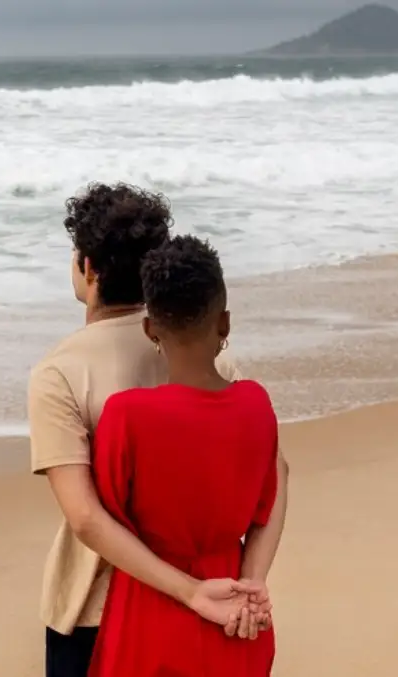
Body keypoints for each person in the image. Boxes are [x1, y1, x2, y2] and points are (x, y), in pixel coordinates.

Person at [27, 183, 288, 677]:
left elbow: (85, 517)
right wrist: (251, 581)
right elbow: (275, 479)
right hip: (219, 593)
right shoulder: (207, 354)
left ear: (87, 267)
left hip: (99, 607)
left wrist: (190, 592)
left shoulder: (58, 373)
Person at [87, 234, 281, 677]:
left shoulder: (127, 416)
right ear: (224, 323)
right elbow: (269, 497)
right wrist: (252, 581)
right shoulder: (255, 404)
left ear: (150, 329)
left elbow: (107, 515)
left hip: (151, 605)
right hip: (236, 610)